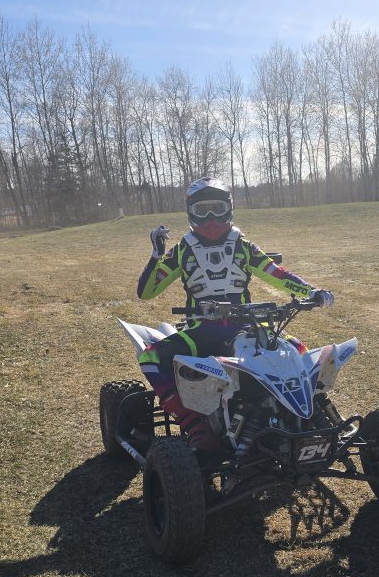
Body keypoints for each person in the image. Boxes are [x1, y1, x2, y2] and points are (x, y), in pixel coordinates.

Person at [136, 176, 334, 453]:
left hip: (248, 326)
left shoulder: (243, 246)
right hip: (203, 329)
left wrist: (312, 291)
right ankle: (196, 427)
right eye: (203, 210)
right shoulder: (182, 251)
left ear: (229, 208)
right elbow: (146, 292)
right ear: (191, 212)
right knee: (152, 356)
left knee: (297, 350)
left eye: (217, 209)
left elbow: (277, 274)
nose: (211, 219)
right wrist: (156, 256)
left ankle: (308, 417)